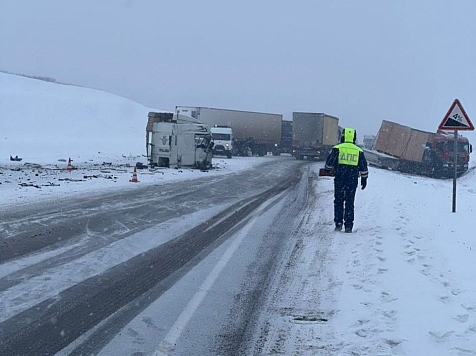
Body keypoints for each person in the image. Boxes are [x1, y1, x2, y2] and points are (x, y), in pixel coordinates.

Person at [325, 128, 368, 233]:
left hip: (340, 179)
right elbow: (363, 167)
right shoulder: (359, 151)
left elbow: (329, 164)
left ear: (343, 137)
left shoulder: (337, 148)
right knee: (350, 202)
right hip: (352, 180)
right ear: (354, 138)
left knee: (338, 201)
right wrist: (364, 179)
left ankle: (338, 224)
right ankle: (348, 226)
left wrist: (328, 170)